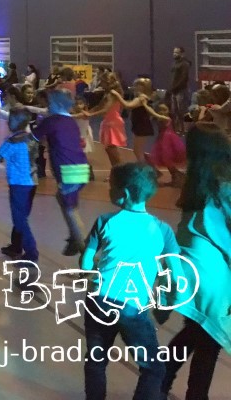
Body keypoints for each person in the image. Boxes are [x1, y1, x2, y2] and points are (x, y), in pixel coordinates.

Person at [80, 162, 180, 400]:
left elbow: (85, 264)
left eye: (111, 187)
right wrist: (165, 302)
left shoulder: (105, 221)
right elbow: (176, 274)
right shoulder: (163, 230)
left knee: (96, 359)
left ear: (123, 194)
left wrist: (92, 274)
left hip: (98, 300)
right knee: (153, 367)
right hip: (132, 306)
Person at [161, 125, 231, 400]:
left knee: (193, 332)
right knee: (209, 340)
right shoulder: (223, 189)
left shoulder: (196, 185)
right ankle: (195, 394)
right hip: (211, 276)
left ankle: (159, 379)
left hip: (190, 271)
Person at [31, 89, 90, 256]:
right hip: (80, 168)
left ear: (56, 104)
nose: (46, 106)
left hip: (68, 171)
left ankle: (88, 257)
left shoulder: (51, 121)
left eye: (49, 103)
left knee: (71, 211)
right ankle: (74, 238)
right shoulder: (70, 121)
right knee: (63, 199)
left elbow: (32, 137)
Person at [0, 108, 39, 262]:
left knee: (19, 220)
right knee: (22, 216)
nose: (9, 122)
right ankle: (16, 246)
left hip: (19, 184)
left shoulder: (11, 141)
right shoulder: (32, 138)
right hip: (33, 182)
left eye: (11, 120)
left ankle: (31, 253)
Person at [169, 46, 192, 135]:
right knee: (174, 111)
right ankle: (175, 129)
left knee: (182, 111)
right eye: (174, 52)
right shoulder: (174, 64)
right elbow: (173, 78)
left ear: (182, 54)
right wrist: (171, 88)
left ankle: (183, 130)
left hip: (181, 90)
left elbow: (183, 78)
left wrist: (175, 87)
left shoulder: (184, 64)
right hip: (174, 90)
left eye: (177, 53)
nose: (174, 54)